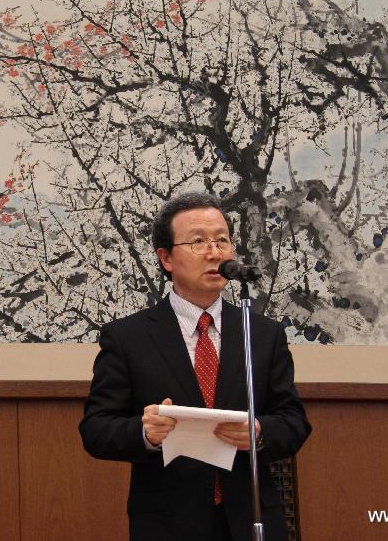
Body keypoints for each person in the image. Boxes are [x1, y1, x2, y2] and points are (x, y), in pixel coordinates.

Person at [79, 192, 311, 541]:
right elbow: (95, 429)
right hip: (168, 523)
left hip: (251, 518)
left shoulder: (261, 333)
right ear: (166, 258)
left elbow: (294, 421)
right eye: (199, 242)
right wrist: (145, 434)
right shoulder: (127, 337)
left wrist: (259, 431)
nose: (215, 253)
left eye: (222, 240)